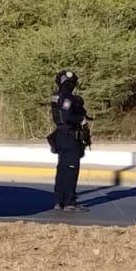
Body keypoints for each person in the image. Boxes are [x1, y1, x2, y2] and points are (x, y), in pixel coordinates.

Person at [48, 70, 90, 212]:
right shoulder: (66, 99)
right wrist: (81, 119)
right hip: (69, 136)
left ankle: (59, 201)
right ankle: (69, 203)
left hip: (60, 136)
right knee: (71, 170)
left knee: (62, 169)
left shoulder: (56, 97)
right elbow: (67, 117)